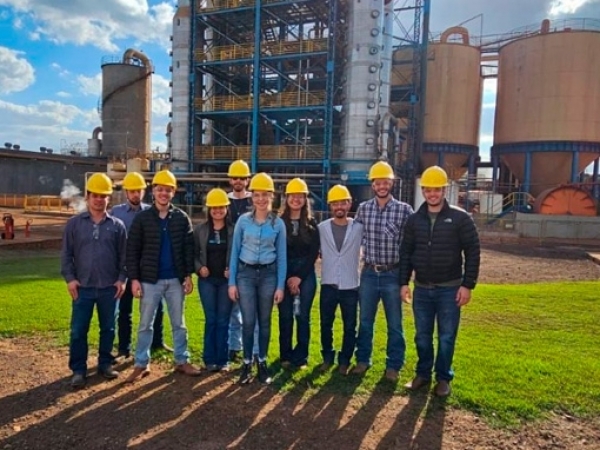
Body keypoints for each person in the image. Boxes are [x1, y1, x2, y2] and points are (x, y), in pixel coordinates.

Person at [400, 166, 480, 397]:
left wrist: (467, 285)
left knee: (446, 337)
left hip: (450, 289)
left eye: (437, 189)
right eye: (428, 190)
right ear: (423, 191)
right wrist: (404, 283)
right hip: (422, 289)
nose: (432, 194)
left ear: (444, 190)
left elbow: (473, 252)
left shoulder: (460, 218)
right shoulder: (414, 220)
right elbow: (406, 253)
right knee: (422, 336)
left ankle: (443, 378)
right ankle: (423, 374)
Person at [125, 170, 202, 382]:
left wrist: (188, 275)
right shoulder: (142, 218)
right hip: (150, 280)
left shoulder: (181, 218)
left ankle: (182, 360)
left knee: (179, 323)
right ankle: (141, 363)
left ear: (173, 192)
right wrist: (134, 279)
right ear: (153, 191)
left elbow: (188, 249)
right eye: (160, 189)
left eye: (168, 190)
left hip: (175, 280)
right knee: (145, 324)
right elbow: (132, 250)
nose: (163, 193)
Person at [60, 173, 127, 389]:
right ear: (88, 197)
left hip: (109, 288)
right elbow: (66, 255)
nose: (99, 199)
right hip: (83, 288)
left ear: (109, 198)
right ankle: (78, 370)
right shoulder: (74, 224)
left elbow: (124, 258)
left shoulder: (117, 226)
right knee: (79, 330)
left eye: (103, 196)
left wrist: (121, 279)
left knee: (108, 329)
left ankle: (105, 364)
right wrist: (70, 279)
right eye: (95, 195)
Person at [353, 161, 414, 382]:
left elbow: (410, 246)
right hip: (369, 273)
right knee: (365, 321)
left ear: (391, 183)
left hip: (392, 274)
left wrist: (406, 279)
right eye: (378, 182)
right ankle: (363, 360)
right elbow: (354, 239)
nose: (381, 186)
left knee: (394, 324)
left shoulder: (404, 210)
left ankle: (393, 365)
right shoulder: (363, 209)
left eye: (385, 182)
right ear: (373, 184)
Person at [228, 172, 286, 385]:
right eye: (257, 195)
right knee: (248, 321)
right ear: (251, 197)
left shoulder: (278, 224)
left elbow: (282, 257)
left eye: (265, 195)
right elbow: (234, 252)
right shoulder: (243, 221)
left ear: (272, 196)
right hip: (246, 274)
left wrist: (280, 286)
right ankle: (246, 364)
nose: (261, 199)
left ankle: (261, 361)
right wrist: (232, 283)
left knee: (265, 321)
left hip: (269, 275)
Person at [110, 171, 171, 360]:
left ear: (144, 191)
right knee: (125, 310)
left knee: (156, 307)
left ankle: (157, 342)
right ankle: (124, 348)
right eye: (132, 191)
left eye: (139, 191)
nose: (136, 194)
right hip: (125, 269)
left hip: (147, 268)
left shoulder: (152, 212)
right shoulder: (116, 212)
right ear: (126, 192)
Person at [318, 185, 363, 375]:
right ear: (330, 205)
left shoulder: (358, 228)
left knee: (350, 326)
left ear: (349, 204)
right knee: (325, 323)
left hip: (350, 285)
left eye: (342, 203)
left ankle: (345, 360)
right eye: (335, 203)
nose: (339, 206)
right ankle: (327, 357)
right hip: (328, 283)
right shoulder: (322, 228)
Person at [278, 178, 319, 369]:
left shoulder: (311, 223)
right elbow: (277, 252)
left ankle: (301, 357)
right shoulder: (278, 223)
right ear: (286, 198)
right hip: (284, 272)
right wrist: (288, 278)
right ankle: (285, 355)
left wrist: (299, 277)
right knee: (285, 316)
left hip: (306, 273)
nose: (296, 199)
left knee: (302, 317)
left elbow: (313, 254)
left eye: (300, 196)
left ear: (305, 199)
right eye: (292, 196)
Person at [193, 188, 234, 372]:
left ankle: (223, 360)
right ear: (209, 210)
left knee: (223, 320)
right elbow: (193, 254)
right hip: (207, 281)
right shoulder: (200, 230)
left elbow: (239, 253)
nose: (217, 211)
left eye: (221, 207)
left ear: (226, 208)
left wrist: (232, 270)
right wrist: (199, 268)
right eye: (214, 208)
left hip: (226, 282)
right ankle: (209, 359)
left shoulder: (234, 230)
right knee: (211, 319)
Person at [225, 159, 255, 363]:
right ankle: (234, 346)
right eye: (235, 178)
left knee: (251, 309)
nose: (238, 181)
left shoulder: (255, 200)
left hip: (250, 259)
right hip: (230, 258)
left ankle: (251, 349)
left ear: (247, 180)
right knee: (232, 308)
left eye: (242, 178)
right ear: (230, 180)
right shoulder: (224, 200)